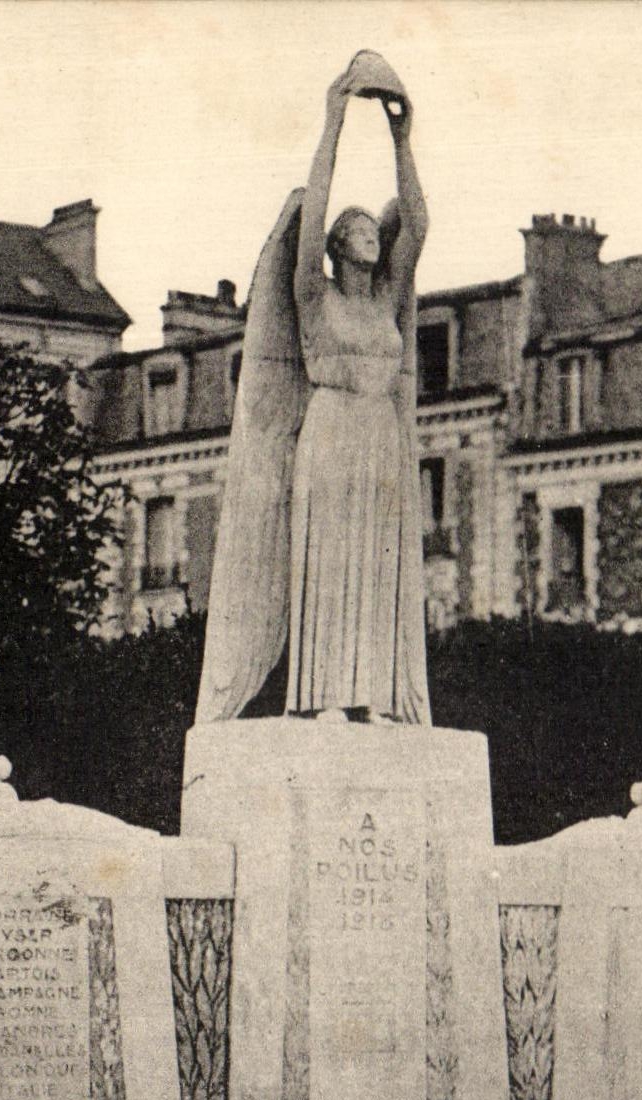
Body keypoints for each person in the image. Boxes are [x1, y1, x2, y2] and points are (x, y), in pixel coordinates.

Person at [195, 53, 431, 727]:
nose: (371, 236)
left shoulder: (386, 300)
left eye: (372, 231)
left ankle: (374, 697)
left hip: (379, 435)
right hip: (328, 432)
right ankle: (326, 696)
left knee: (377, 566)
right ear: (335, 246)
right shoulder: (313, 295)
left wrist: (401, 137)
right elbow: (316, 203)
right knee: (329, 565)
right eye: (358, 230)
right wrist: (335, 118)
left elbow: (417, 223)